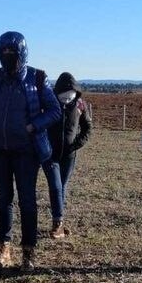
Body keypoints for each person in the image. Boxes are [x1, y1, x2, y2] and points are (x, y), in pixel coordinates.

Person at [0, 32, 61, 271]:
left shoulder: (38, 78)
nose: (8, 57)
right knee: (3, 200)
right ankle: (3, 249)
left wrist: (34, 126)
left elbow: (54, 110)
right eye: (4, 52)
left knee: (28, 201)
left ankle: (28, 253)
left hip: (27, 152)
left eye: (13, 53)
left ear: (23, 53)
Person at [41, 72, 93, 239]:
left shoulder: (79, 105)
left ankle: (59, 222)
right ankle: (58, 224)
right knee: (56, 186)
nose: (66, 99)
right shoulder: (49, 104)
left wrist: (76, 145)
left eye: (69, 96)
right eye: (63, 96)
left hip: (69, 155)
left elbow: (87, 128)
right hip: (50, 154)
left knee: (62, 187)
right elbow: (40, 124)